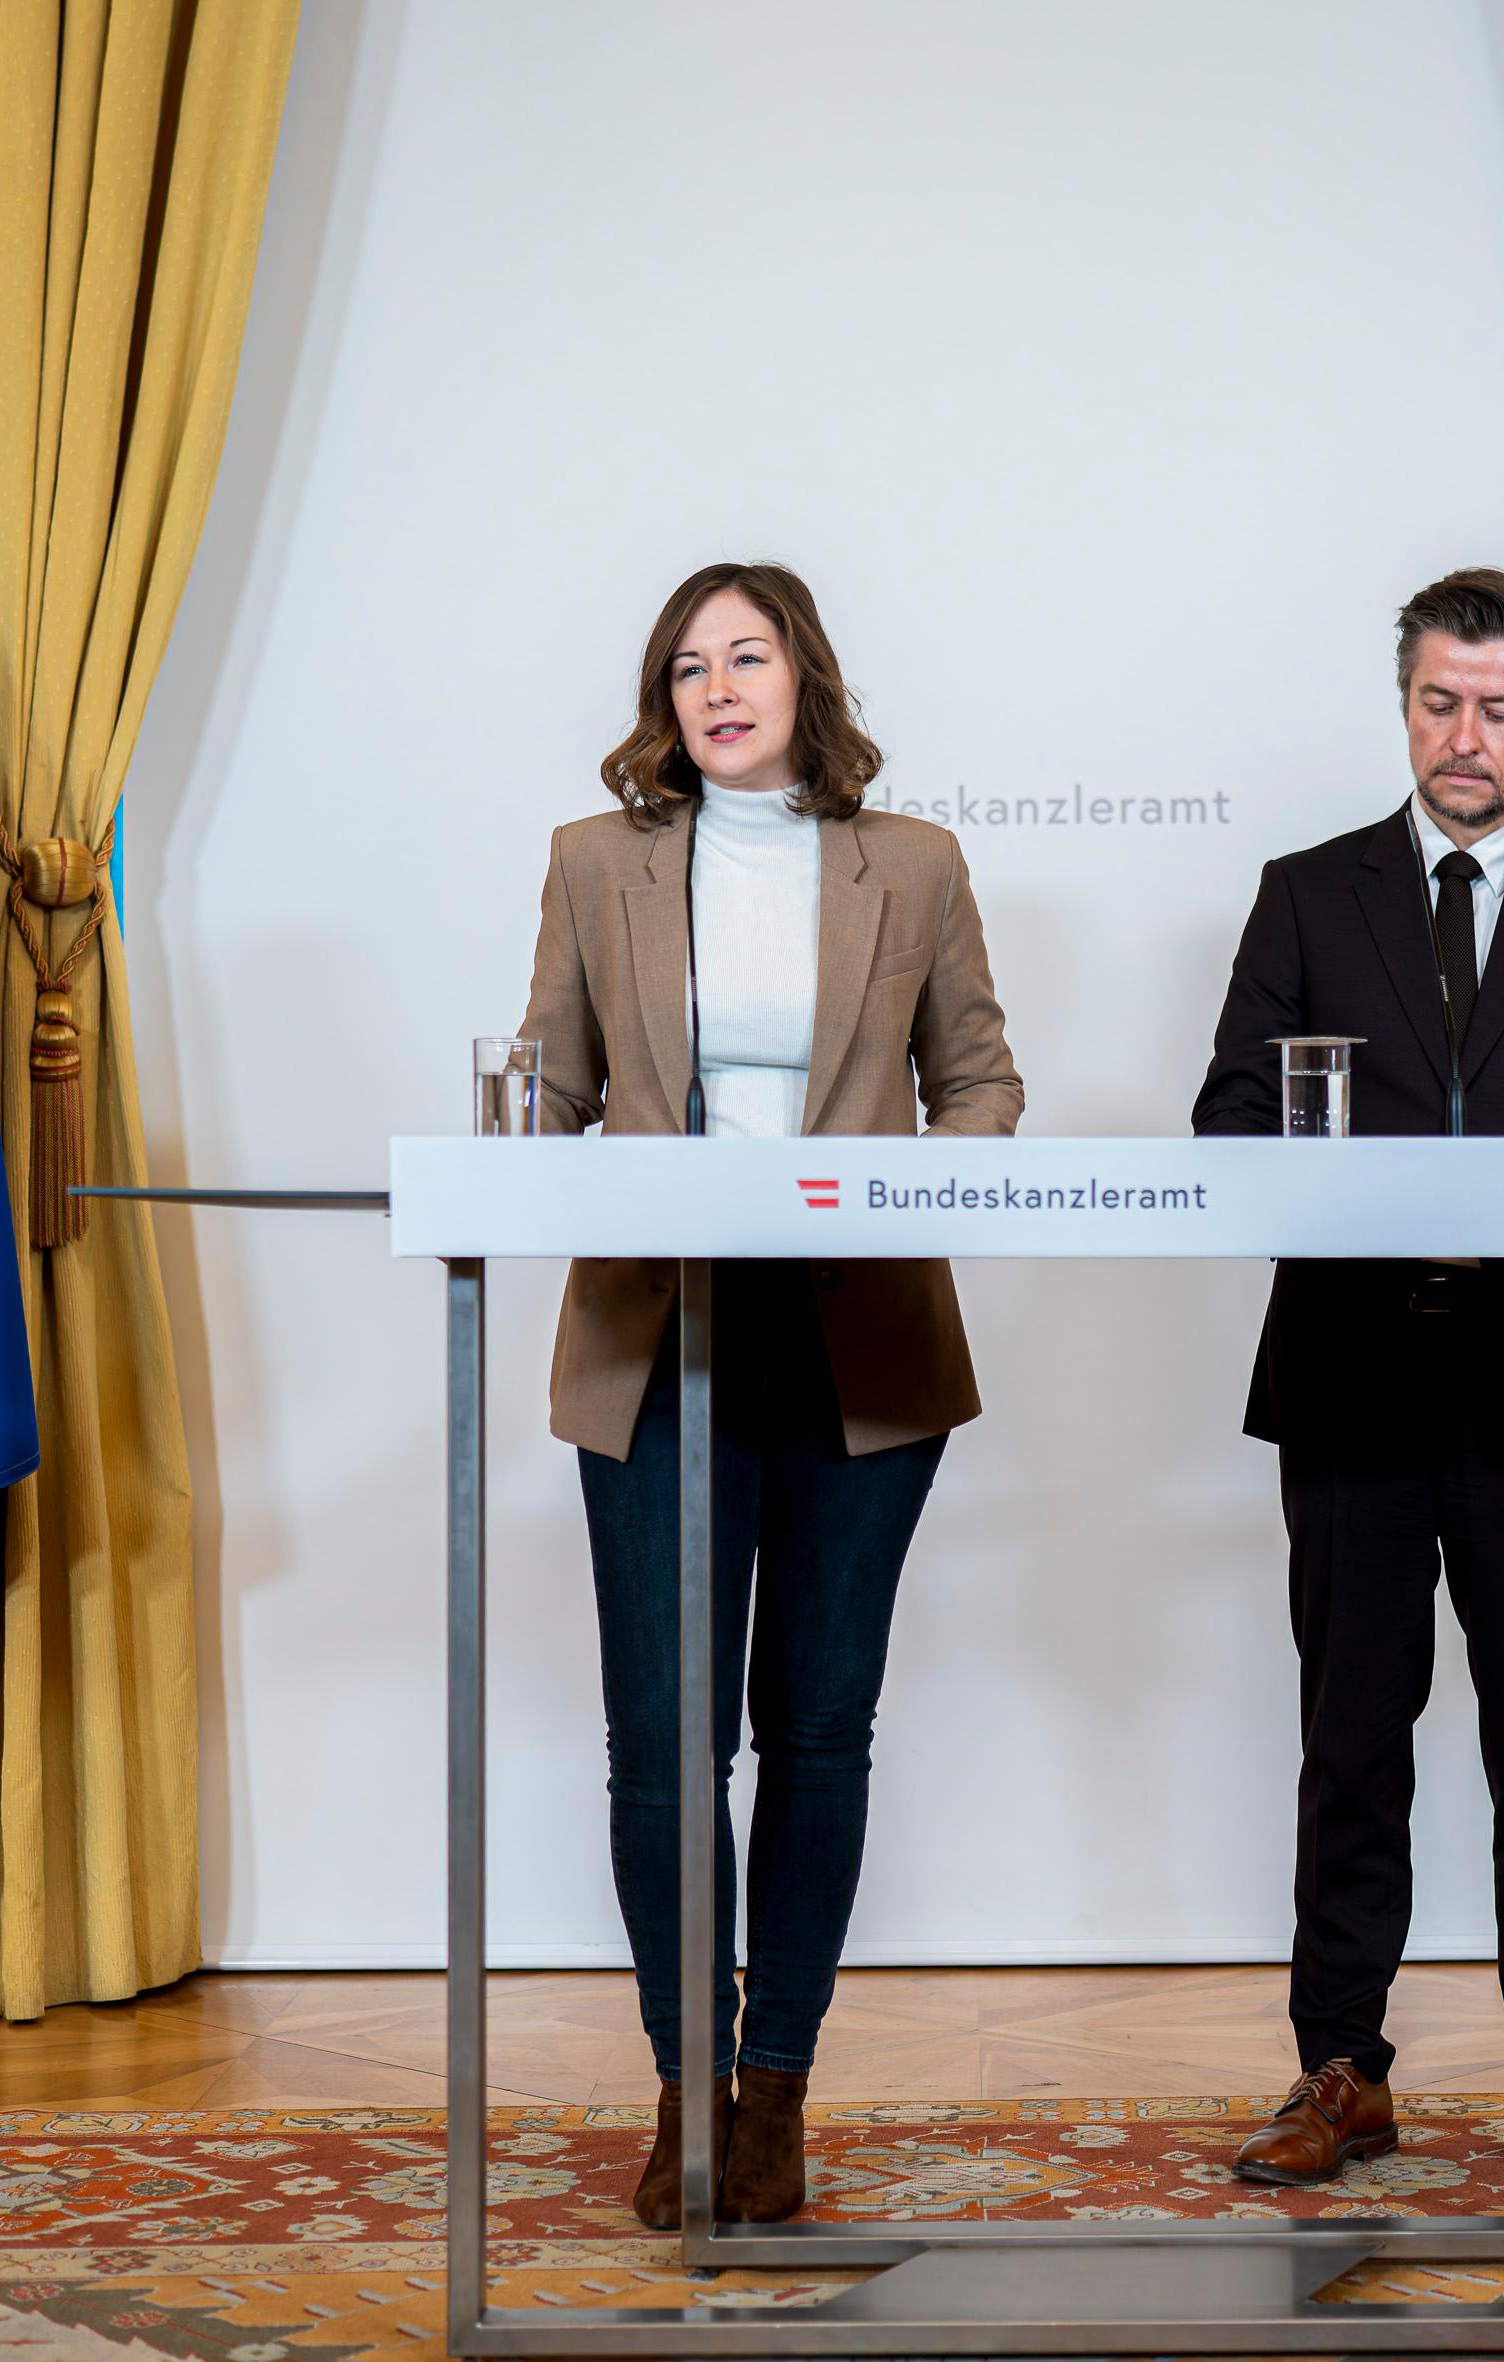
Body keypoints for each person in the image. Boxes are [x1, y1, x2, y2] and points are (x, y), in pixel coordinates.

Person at [514, 561, 1022, 2228]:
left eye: (746, 657)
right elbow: (551, 1088)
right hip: (654, 1336)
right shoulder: (594, 860)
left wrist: (907, 1193)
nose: (719, 689)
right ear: (663, 703)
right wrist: (525, 1150)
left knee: (816, 1726)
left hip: (860, 1342)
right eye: (688, 667)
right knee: (665, 1741)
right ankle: (688, 2086)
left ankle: (779, 2087)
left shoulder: (913, 863)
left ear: (806, 675)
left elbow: (980, 1081)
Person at [1191, 567, 1504, 2191]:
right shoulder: (1307, 896)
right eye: (1438, 703)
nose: (1463, 736)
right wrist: (1390, 1191)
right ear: (1405, 705)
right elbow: (1229, 1119)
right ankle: (1339, 2066)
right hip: (1350, 1374)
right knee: (1352, 1728)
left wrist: (1492, 1202)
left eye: (1497, 709)